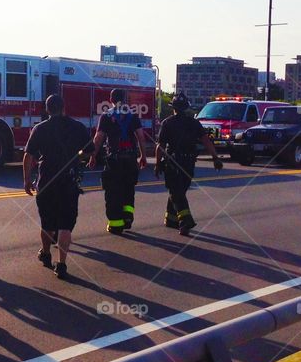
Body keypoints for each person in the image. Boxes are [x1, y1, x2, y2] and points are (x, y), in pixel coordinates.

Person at [23, 94, 91, 279]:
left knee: (47, 223)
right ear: (63, 108)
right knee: (65, 225)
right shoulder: (78, 127)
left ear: (47, 109)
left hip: (46, 181)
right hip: (69, 182)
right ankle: (61, 264)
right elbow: (89, 151)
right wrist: (77, 158)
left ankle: (45, 253)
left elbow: (28, 156)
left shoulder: (40, 129)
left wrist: (27, 180)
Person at [154, 92, 223, 236]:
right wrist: (215, 158)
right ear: (186, 108)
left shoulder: (167, 123)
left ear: (173, 108)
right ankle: (171, 219)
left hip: (173, 162)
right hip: (189, 163)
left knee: (175, 192)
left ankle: (186, 220)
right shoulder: (194, 123)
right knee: (179, 191)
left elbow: (160, 145)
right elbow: (206, 141)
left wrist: (157, 163)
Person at [87, 89, 147, 234]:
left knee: (113, 192)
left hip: (114, 160)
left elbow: (98, 138)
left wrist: (93, 155)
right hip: (130, 159)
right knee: (128, 189)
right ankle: (127, 217)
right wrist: (143, 156)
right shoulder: (132, 115)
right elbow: (140, 136)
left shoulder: (106, 116)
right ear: (125, 99)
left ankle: (115, 225)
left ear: (111, 99)